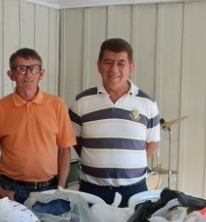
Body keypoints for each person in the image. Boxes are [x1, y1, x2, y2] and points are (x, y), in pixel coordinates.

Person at [69, 38, 161, 207]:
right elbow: (76, 140)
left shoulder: (147, 104)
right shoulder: (81, 103)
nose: (114, 69)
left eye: (121, 63)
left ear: (131, 67)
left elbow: (152, 142)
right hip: (92, 191)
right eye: (108, 62)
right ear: (99, 65)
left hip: (134, 190)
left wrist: (128, 162)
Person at [0, 48, 75, 204]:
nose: (28, 74)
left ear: (41, 73)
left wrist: (61, 187)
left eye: (34, 68)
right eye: (21, 69)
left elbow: (65, 149)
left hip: (50, 189)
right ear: (11, 75)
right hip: (12, 190)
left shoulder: (57, 105)